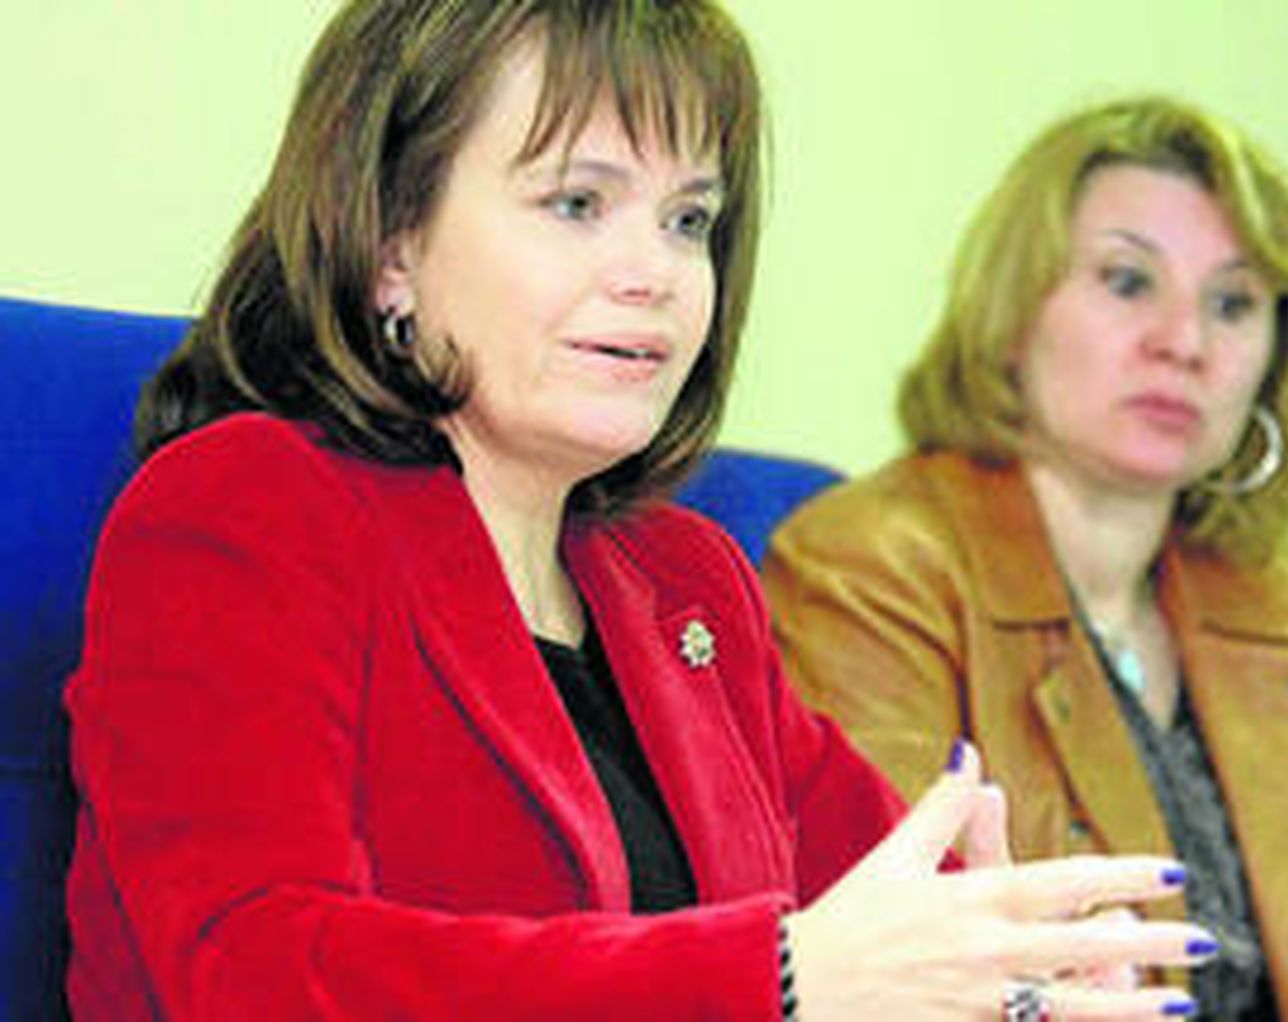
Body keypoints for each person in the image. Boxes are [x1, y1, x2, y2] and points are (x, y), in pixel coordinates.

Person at [64, 5, 1222, 1020]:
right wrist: (772, 979)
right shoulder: (244, 508)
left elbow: (894, 917)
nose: (655, 274)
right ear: (389, 248)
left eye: (687, 222)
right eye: (577, 201)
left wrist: (1028, 979)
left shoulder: (687, 577)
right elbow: (249, 970)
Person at [764, 97, 1288, 1020]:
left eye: (1233, 304)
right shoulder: (872, 567)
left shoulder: (1279, 604)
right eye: (1127, 281)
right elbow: (927, 973)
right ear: (1014, 311)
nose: (1184, 341)